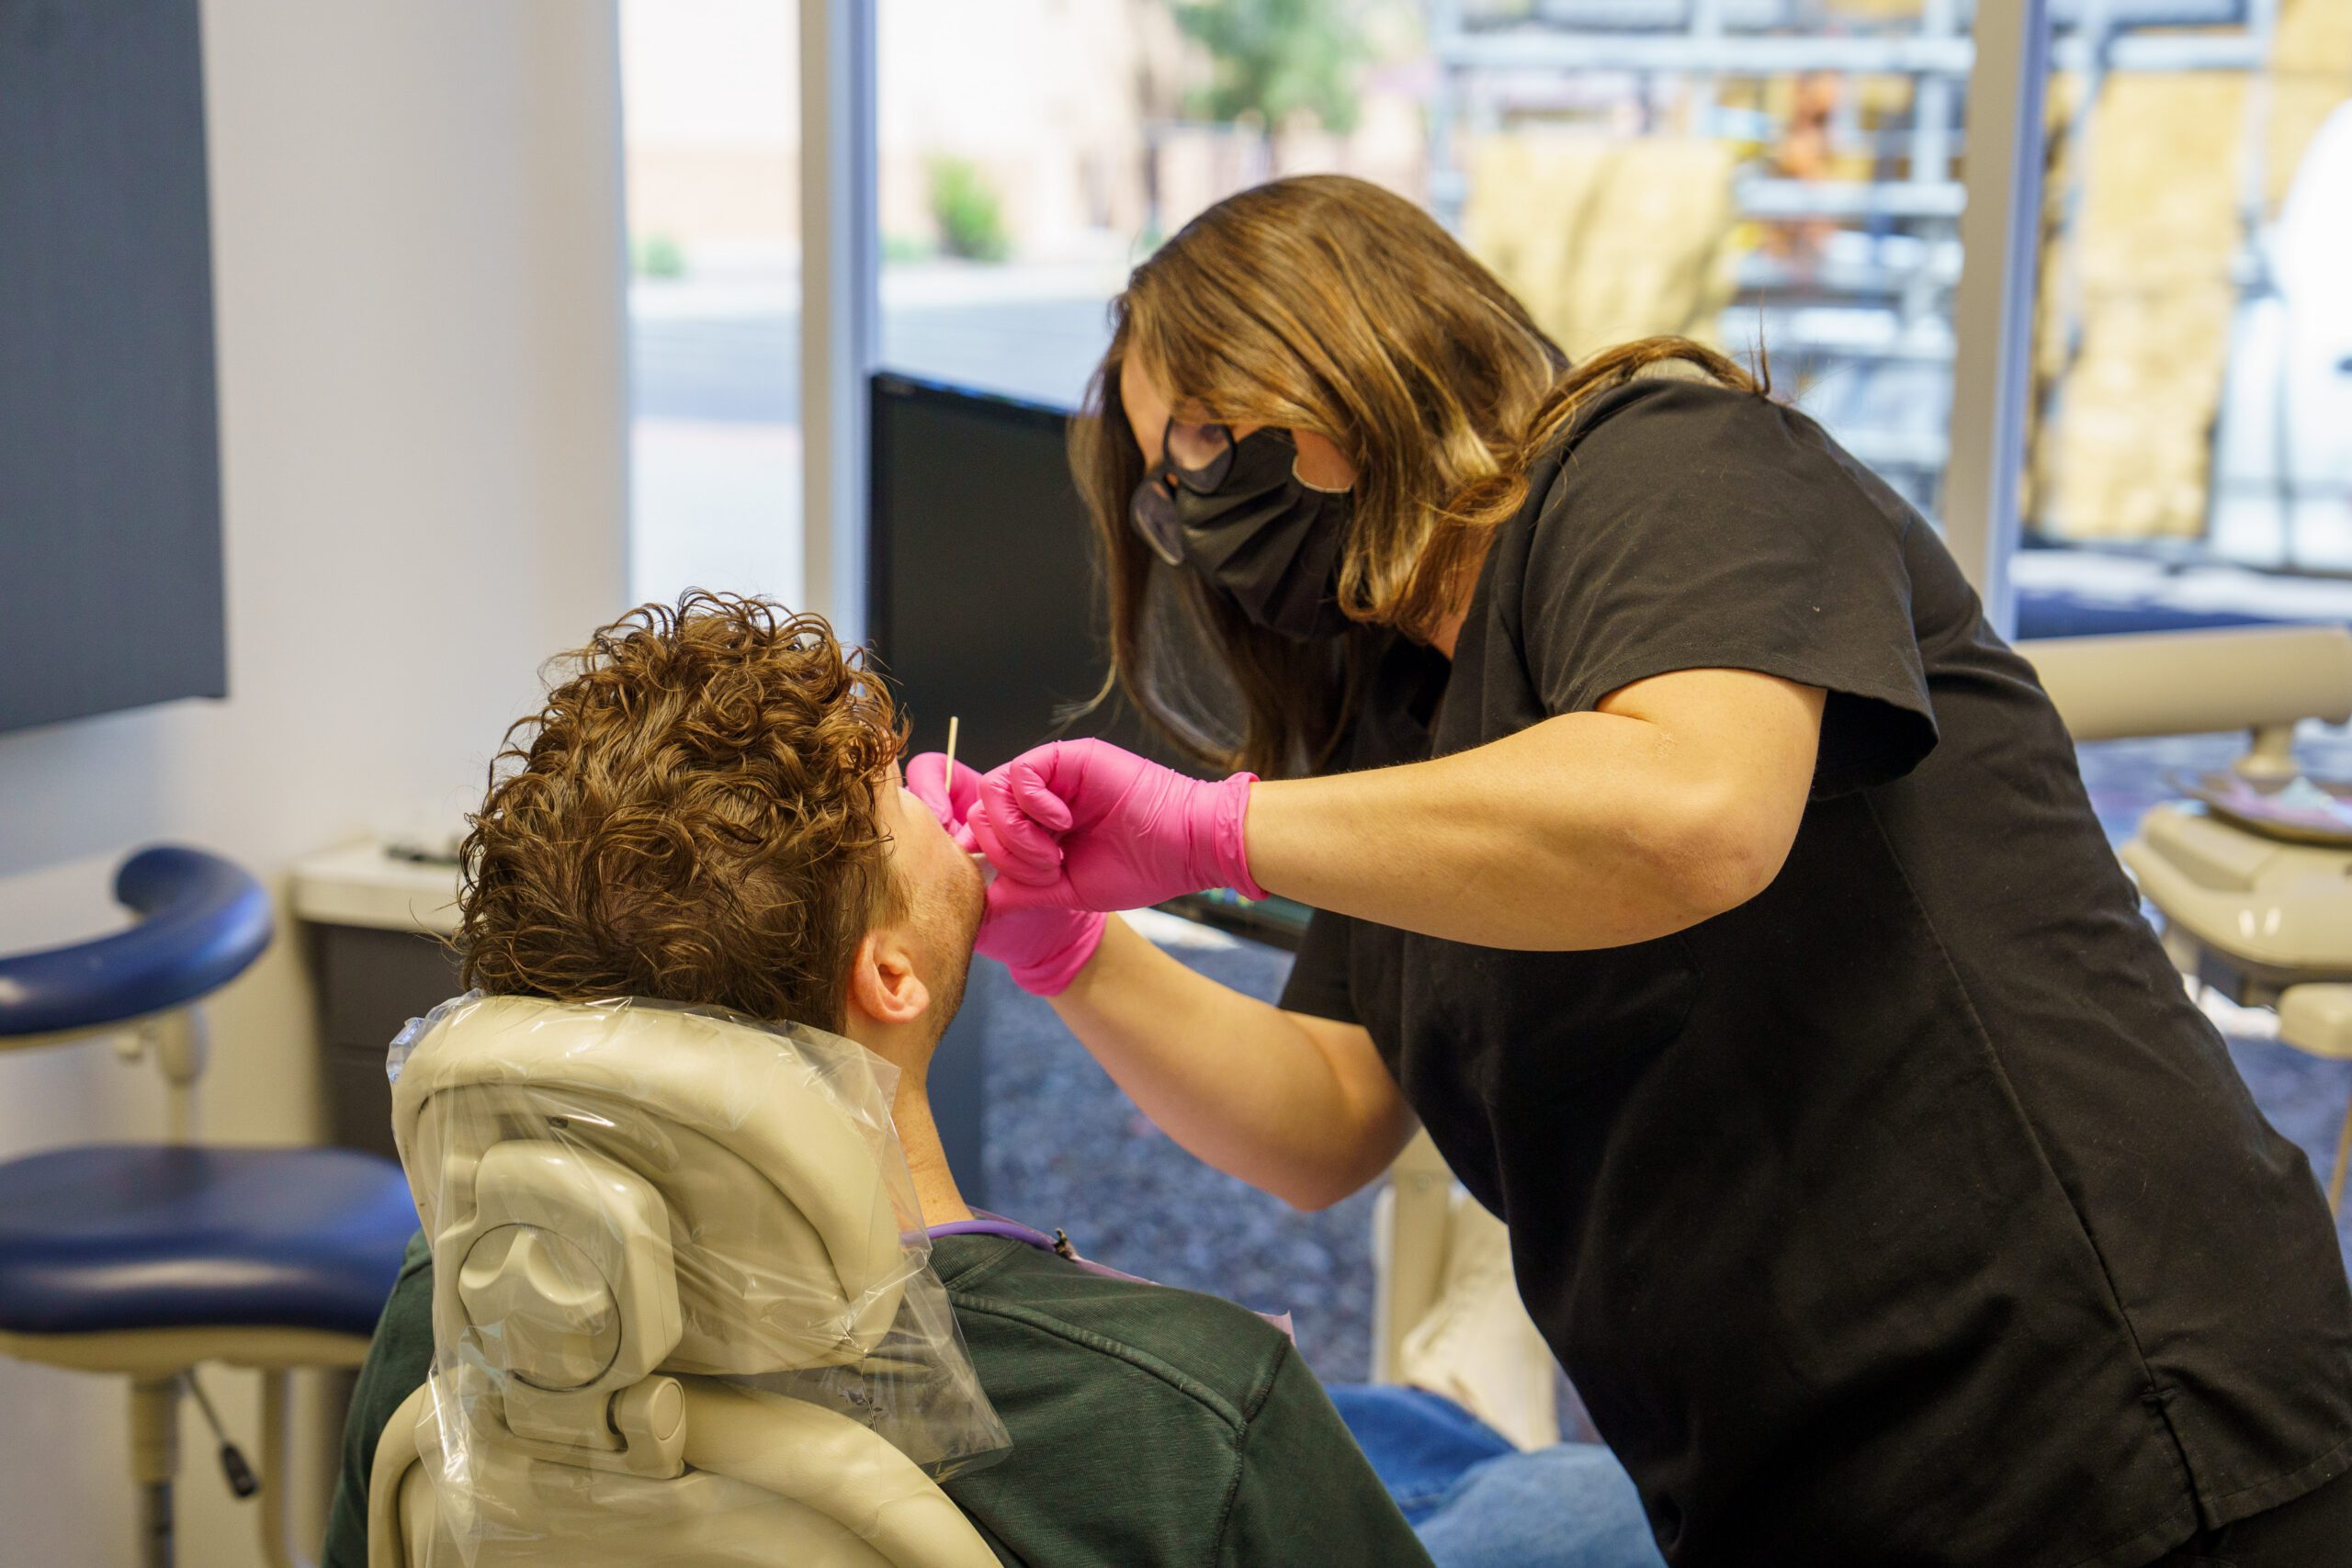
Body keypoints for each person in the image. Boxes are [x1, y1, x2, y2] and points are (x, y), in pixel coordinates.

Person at [936, 175, 2352, 1568]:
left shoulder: (1668, 463)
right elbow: (1325, 1116)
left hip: (2095, 1423)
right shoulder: (1400, 715)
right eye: (1165, 491)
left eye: (1198, 441)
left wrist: (1213, 828)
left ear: (1345, 351)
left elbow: (1694, 810)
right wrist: (1066, 943)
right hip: (1782, 1476)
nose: (1192, 517)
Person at [321, 592, 1663, 1568]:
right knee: (1584, 1511)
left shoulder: (454, 1325)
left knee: (1407, 1440)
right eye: (888, 792)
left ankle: (1446, 1409)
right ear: (890, 978)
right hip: (1228, 1477)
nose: (926, 782)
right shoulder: (1177, 1410)